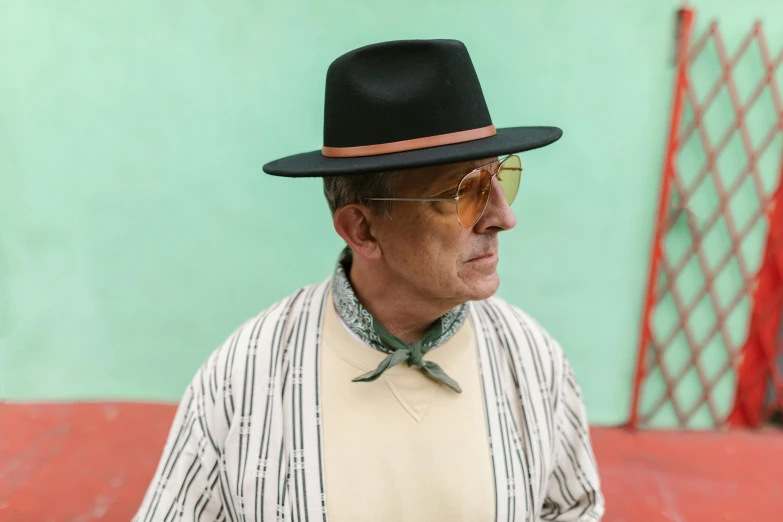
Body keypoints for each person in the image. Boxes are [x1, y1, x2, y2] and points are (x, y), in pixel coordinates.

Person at [133, 38, 604, 522]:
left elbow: (573, 508)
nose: (503, 218)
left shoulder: (531, 359)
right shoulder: (246, 374)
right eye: (465, 192)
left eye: (499, 180)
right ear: (363, 229)